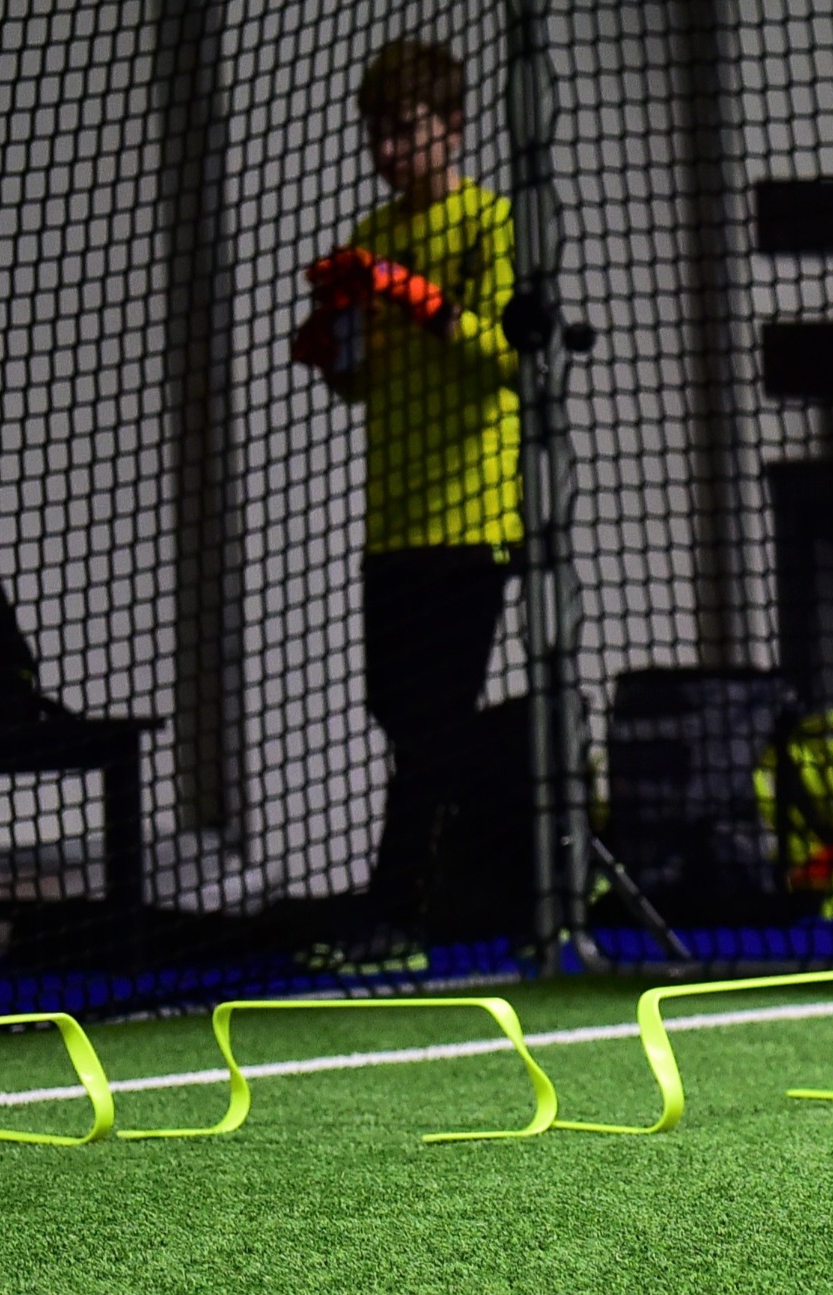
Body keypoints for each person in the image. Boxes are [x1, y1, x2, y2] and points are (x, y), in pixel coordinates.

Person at [290, 39, 523, 971]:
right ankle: (434, 899)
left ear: (450, 129)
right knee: (398, 711)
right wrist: (331, 339)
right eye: (377, 134)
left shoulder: (491, 223)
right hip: (391, 521)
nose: (388, 150)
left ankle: (404, 917)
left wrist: (414, 296)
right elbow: (360, 381)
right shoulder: (375, 232)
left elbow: (508, 355)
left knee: (432, 723)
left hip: (472, 522)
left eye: (405, 131)